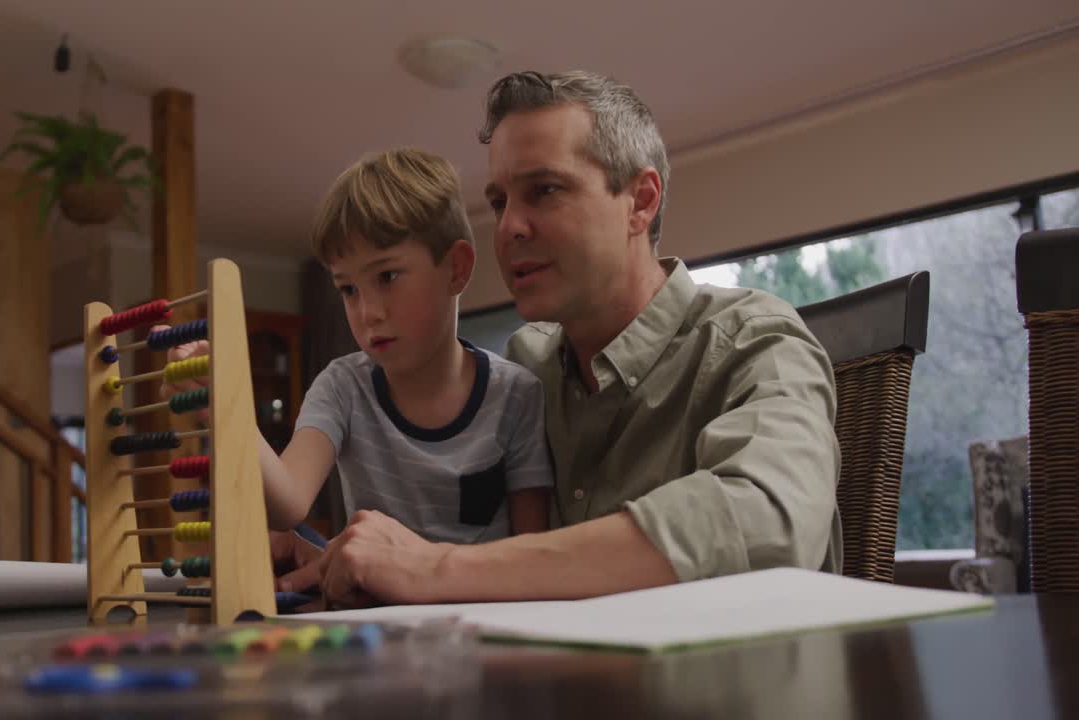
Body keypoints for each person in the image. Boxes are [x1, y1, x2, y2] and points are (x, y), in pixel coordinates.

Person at [293, 70, 843, 607]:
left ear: (640, 201)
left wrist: (433, 566)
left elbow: (769, 520)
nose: (508, 227)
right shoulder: (523, 370)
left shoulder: (756, 340)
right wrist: (330, 555)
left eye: (544, 190)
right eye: (501, 200)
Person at [161, 147, 555, 558]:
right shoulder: (342, 387)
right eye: (348, 289)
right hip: (373, 617)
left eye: (387, 276)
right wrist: (226, 409)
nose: (368, 313)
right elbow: (288, 503)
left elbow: (529, 556)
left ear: (456, 268)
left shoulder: (518, 395)